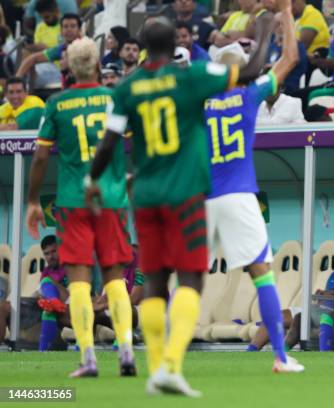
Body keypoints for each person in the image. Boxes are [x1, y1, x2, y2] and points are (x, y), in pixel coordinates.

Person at [85, 15, 271, 396]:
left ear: (140, 45)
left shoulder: (127, 87)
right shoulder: (191, 78)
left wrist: (93, 180)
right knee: (190, 279)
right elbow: (251, 72)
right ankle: (170, 365)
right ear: (175, 46)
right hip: (185, 196)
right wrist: (265, 31)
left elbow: (108, 142)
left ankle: (155, 366)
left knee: (154, 280)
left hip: (147, 196)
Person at [26, 37, 135, 377]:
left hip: (73, 202)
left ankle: (88, 357)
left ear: (70, 68)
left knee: (79, 281)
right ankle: (127, 351)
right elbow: (136, 145)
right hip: (111, 199)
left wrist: (32, 201)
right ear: (98, 66)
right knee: (116, 278)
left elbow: (42, 155)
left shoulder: (57, 104)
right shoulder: (114, 99)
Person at [204, 0, 303, 372]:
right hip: (239, 195)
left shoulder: (196, 104)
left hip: (202, 197)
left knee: (183, 278)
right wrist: (287, 14)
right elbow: (290, 58)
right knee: (262, 273)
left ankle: (166, 358)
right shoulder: (248, 96)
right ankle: (279, 357)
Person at [247, 234, 334, 352]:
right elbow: (329, 294)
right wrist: (322, 295)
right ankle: (253, 351)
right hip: (321, 308)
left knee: (309, 317)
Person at [16, 13, 82, 87]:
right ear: (61, 31)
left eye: (73, 26)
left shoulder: (87, 47)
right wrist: (17, 79)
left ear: (79, 30)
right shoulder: (61, 49)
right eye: (65, 27)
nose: (69, 30)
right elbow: (33, 58)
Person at [37, 235, 69, 351]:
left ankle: (53, 301)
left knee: (47, 281)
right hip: (58, 309)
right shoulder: (46, 271)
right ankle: (43, 352)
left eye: (54, 252)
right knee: (47, 311)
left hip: (73, 303)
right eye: (46, 254)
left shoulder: (70, 265)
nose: (50, 256)